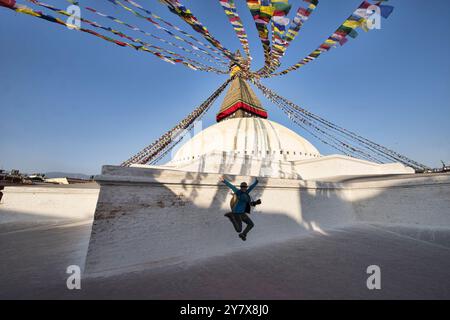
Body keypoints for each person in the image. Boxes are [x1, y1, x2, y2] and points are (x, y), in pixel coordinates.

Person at [219, 175, 259, 241]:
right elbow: (231, 186)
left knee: (251, 224)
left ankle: (243, 234)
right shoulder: (238, 192)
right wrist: (224, 181)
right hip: (236, 213)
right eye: (242, 187)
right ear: (240, 187)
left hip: (242, 213)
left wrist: (256, 182)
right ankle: (231, 216)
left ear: (246, 188)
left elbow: (251, 187)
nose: (244, 188)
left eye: (245, 187)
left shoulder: (246, 192)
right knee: (238, 230)